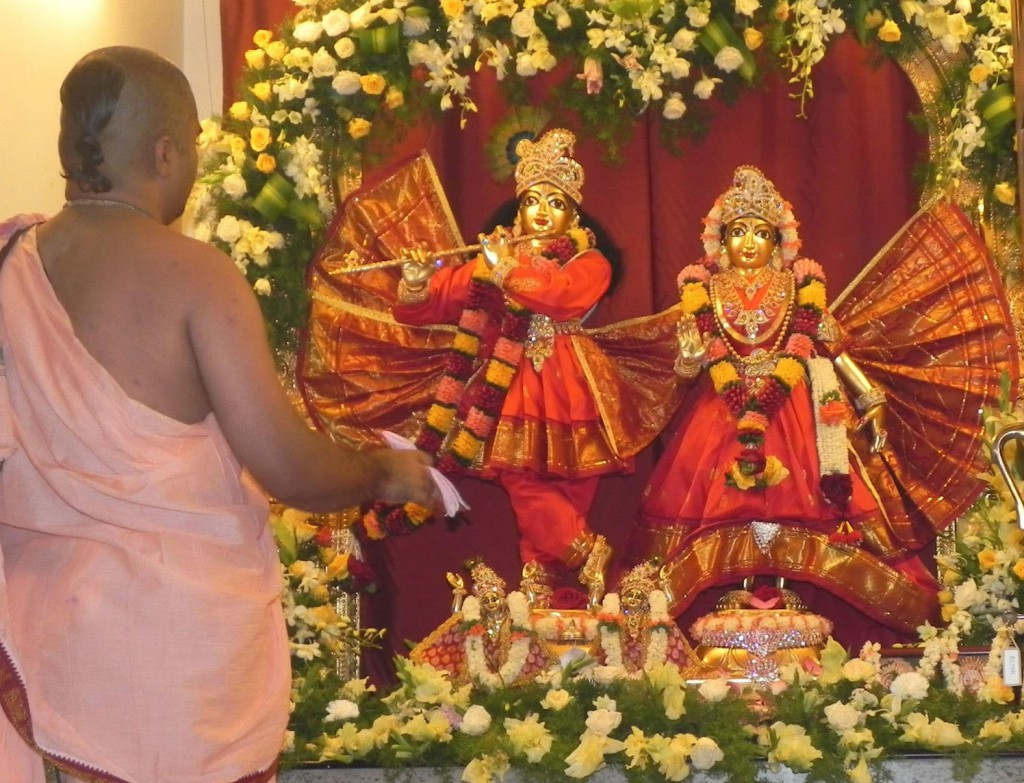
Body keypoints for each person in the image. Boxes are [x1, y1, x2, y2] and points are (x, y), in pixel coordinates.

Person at [0, 47, 437, 783]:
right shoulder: (195, 273)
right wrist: (385, 472)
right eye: (195, 146)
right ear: (166, 151)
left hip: (45, 636)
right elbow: (286, 464)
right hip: (168, 658)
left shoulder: (12, 262)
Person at [625, 165, 1018, 646]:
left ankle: (794, 598)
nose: (749, 243)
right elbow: (685, 371)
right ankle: (735, 601)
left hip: (795, 417)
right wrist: (687, 364)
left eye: (760, 233)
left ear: (781, 242)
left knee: (816, 506)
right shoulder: (703, 296)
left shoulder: (799, 293)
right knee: (715, 513)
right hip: (719, 416)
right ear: (718, 242)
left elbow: (833, 348)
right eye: (738, 232)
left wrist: (869, 397)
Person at [391, 129, 625, 604]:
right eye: (532, 201)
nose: (542, 210)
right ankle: (583, 553)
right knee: (522, 480)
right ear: (517, 213)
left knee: (575, 485)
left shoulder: (589, 260)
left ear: (574, 215)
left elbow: (559, 296)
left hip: (576, 383)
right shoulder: (494, 256)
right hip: (513, 383)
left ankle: (542, 580)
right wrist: (416, 284)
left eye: (555, 202)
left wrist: (504, 271)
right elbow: (433, 304)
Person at [409, 561, 557, 688]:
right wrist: (459, 592)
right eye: (486, 601)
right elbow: (457, 614)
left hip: (514, 672)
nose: (491, 603)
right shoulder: (477, 621)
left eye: (494, 599)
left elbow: (530, 604)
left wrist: (527, 582)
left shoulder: (512, 616)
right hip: (483, 670)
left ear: (503, 599)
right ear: (481, 605)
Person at [596, 561, 698, 676]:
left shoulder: (652, 618)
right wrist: (597, 591)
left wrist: (665, 586)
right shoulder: (613, 618)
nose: (633, 599)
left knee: (666, 629)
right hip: (617, 670)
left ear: (645, 602)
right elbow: (594, 607)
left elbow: (669, 603)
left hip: (651, 667)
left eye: (638, 596)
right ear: (623, 599)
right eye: (629, 595)